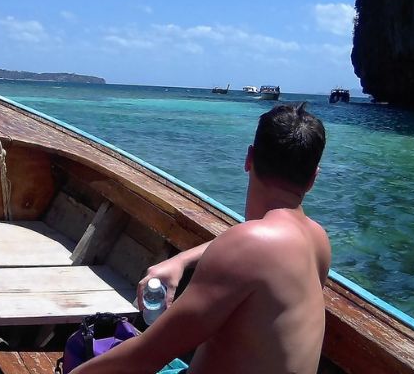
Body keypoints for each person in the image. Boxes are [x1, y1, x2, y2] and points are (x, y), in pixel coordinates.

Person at [73, 103, 332, 374]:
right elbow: (257, 246)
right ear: (313, 178)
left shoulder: (247, 247)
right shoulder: (317, 239)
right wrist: (182, 259)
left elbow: (144, 357)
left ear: (249, 159)